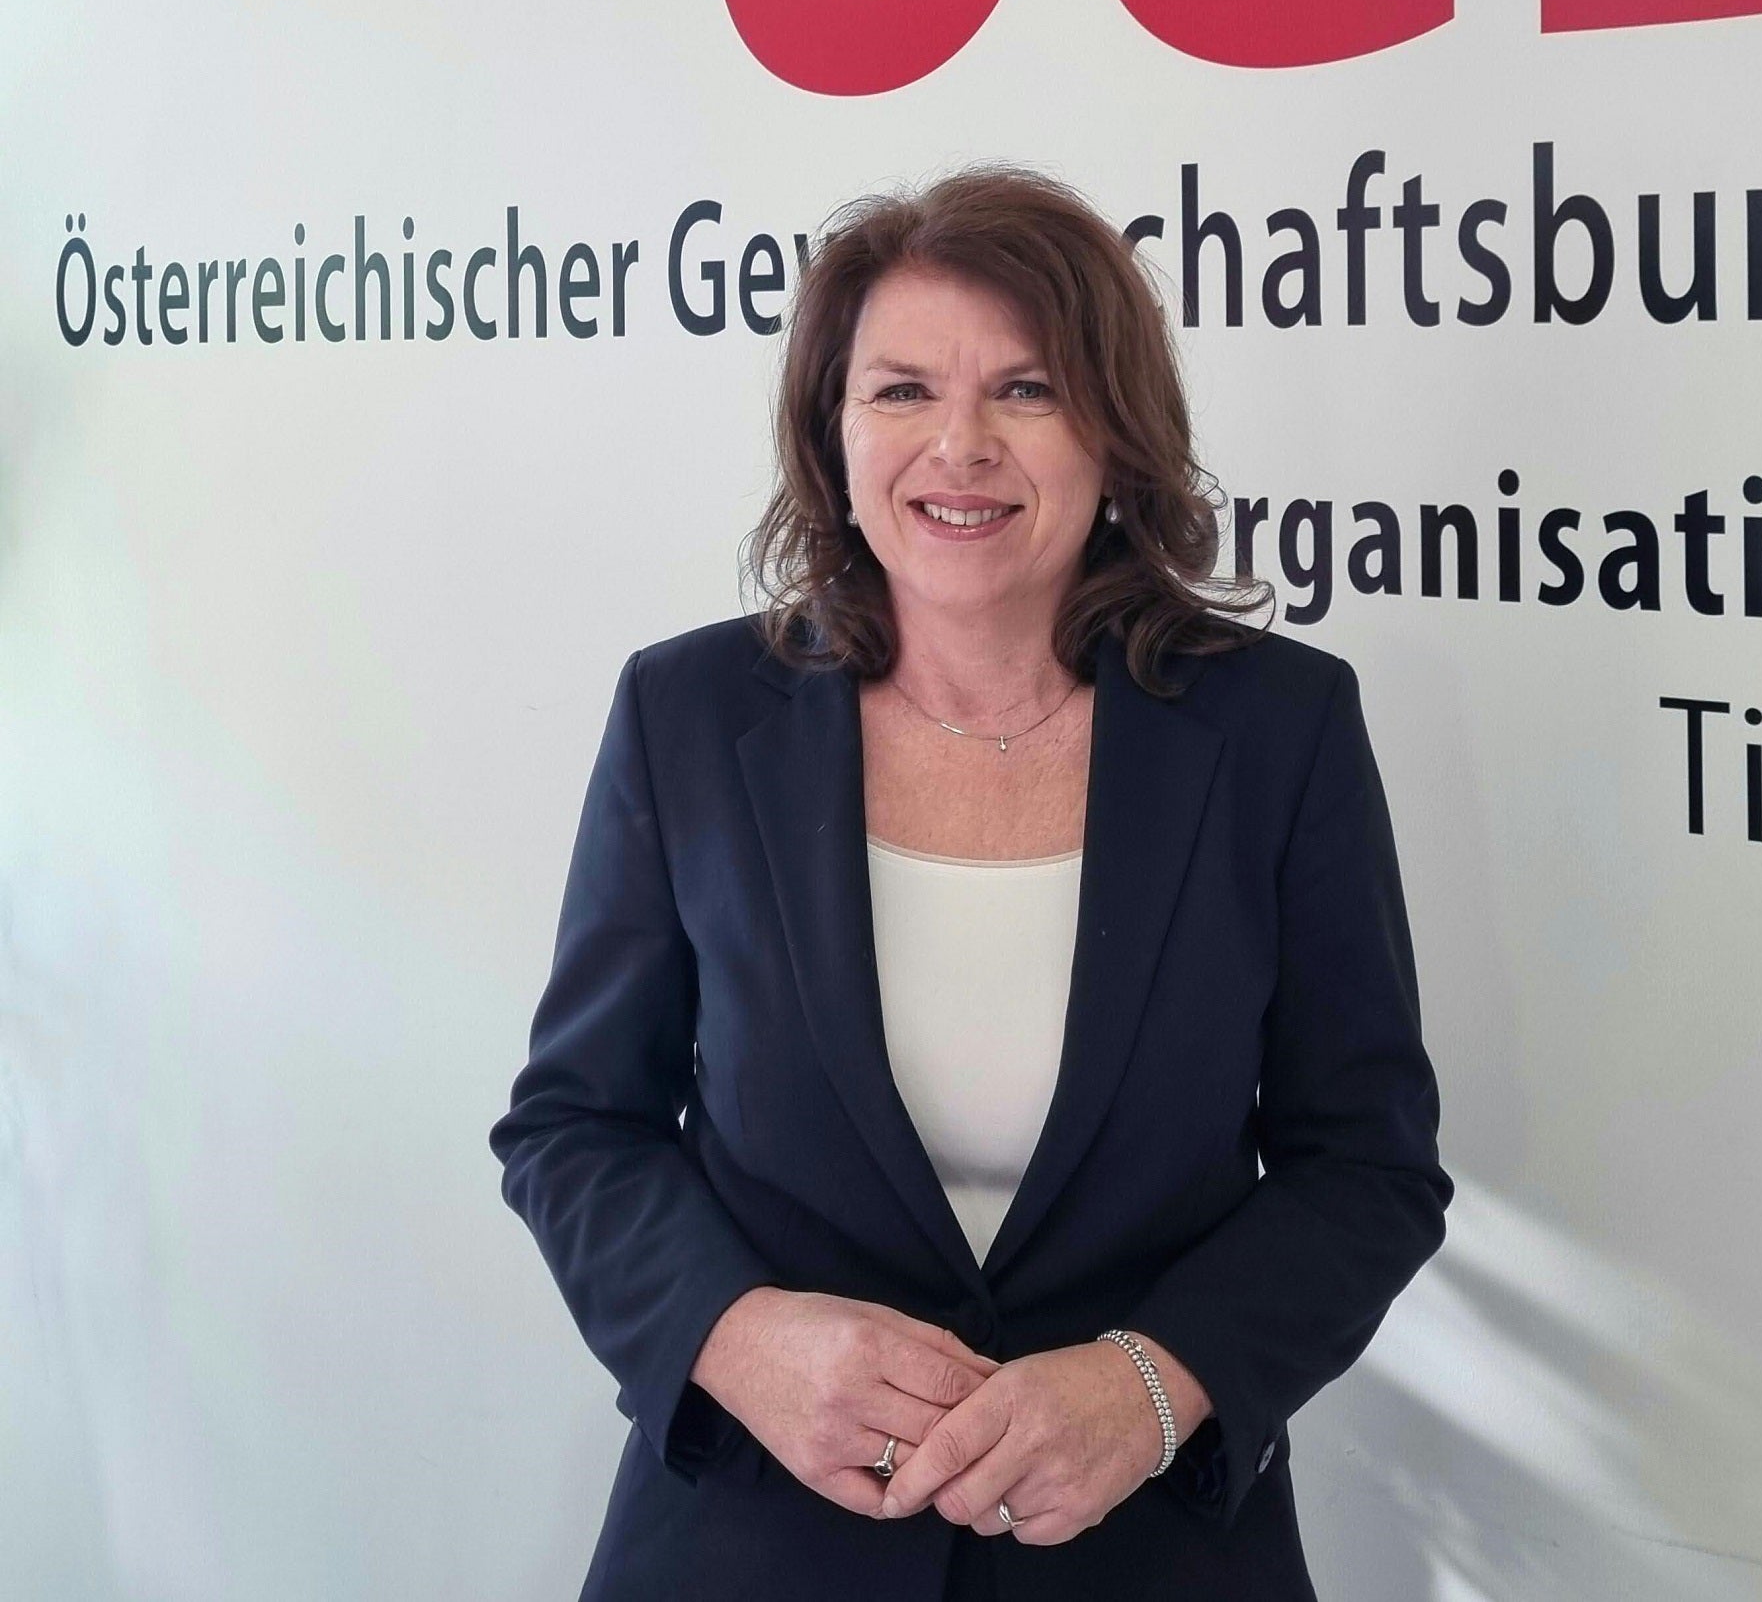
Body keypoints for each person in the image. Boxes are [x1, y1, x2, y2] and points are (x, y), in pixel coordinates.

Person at [491, 164, 1450, 1601]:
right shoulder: (687, 717)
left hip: (1141, 1551)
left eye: (1027, 390)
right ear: (833, 435)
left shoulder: (1278, 732)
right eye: (901, 392)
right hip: (758, 1545)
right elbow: (575, 1124)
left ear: (1114, 435)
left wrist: (1156, 1383)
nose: (961, 445)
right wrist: (736, 1338)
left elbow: (1366, 1165)